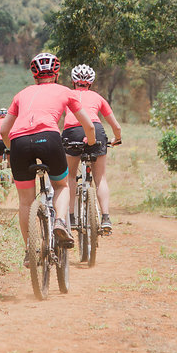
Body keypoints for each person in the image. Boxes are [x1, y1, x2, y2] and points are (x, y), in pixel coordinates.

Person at [0, 52, 96, 258]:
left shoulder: (21, 94)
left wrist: (13, 148)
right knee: (61, 186)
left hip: (19, 142)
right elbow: (88, 125)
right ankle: (60, 222)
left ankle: (29, 251)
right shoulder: (65, 91)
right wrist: (92, 141)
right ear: (57, 73)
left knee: (25, 201)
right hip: (49, 138)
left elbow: (4, 132)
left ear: (34, 76)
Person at [62, 64, 122, 234]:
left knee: (71, 176)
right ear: (91, 82)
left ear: (74, 82)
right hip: (96, 131)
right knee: (100, 178)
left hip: (72, 131)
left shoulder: (67, 96)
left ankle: (71, 217)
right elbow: (116, 126)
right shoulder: (98, 97)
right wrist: (116, 139)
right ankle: (105, 218)